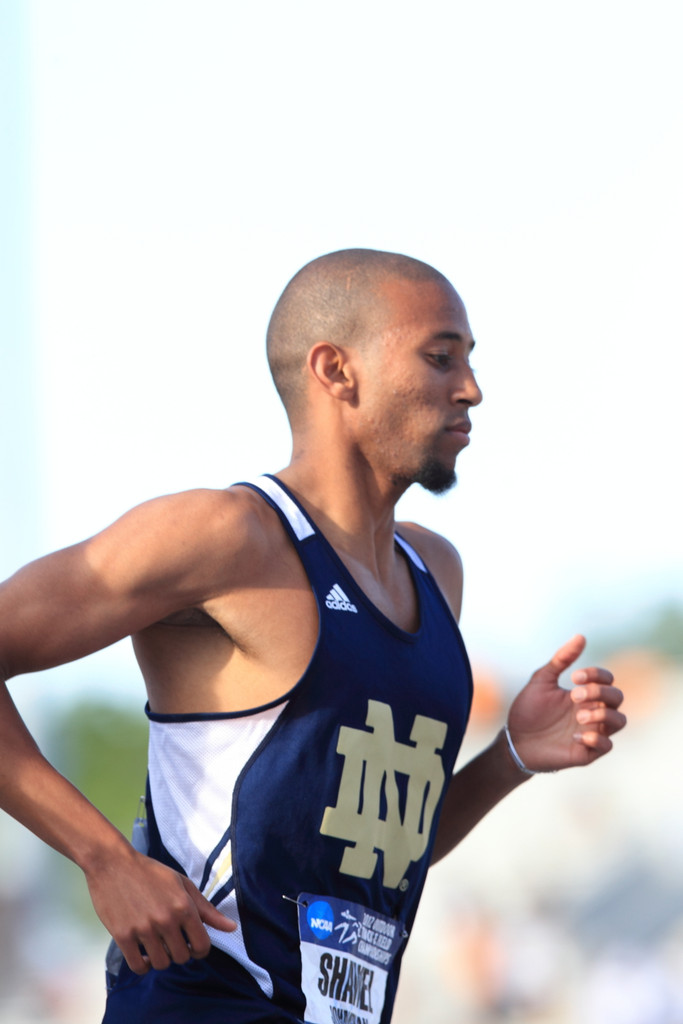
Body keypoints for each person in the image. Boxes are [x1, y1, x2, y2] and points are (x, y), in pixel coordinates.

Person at [0, 248, 626, 1024]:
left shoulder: (434, 570)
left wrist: (510, 759)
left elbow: (370, 857)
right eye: (440, 358)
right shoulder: (225, 536)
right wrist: (103, 858)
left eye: (468, 362)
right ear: (336, 370)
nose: (470, 389)